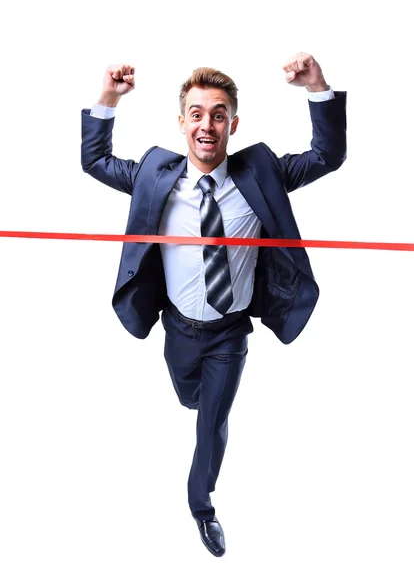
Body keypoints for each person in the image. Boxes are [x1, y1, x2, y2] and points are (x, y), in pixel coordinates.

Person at [81, 52, 347, 557]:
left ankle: (201, 506)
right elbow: (94, 161)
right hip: (177, 327)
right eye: (198, 114)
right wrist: (109, 99)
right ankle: (200, 395)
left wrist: (318, 86)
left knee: (211, 424)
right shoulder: (155, 174)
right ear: (183, 123)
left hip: (230, 331)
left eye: (219, 114)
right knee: (189, 396)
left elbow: (326, 156)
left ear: (233, 124)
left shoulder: (260, 171)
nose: (208, 124)